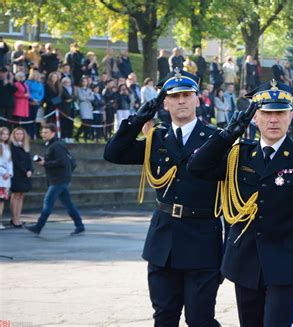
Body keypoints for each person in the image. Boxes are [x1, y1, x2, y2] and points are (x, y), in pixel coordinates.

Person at [187, 79, 293, 326]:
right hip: (245, 263)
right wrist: (228, 134)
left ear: (290, 117)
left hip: (287, 265)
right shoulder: (238, 153)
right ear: (255, 118)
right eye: (266, 113)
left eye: (279, 113)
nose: (273, 120)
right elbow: (197, 167)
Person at [103, 69, 223, 326]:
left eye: (186, 95)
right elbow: (114, 153)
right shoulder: (156, 138)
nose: (181, 101)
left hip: (202, 240)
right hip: (163, 242)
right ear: (165, 102)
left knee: (200, 320)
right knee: (164, 318)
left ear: (197, 99)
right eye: (174, 96)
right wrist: (138, 119)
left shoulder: (215, 138)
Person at [25, 124, 84, 235]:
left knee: (48, 202)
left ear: (53, 133)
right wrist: (45, 161)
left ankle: (39, 226)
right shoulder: (53, 145)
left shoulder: (56, 146)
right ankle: (79, 225)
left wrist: (45, 163)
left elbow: (61, 162)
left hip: (59, 179)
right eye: (43, 132)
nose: (43, 134)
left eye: (46, 132)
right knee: (68, 204)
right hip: (59, 178)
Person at [10, 127, 33, 227]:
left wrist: (30, 170)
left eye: (21, 134)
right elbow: (15, 162)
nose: (19, 136)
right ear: (14, 135)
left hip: (25, 175)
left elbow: (29, 160)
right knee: (15, 195)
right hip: (17, 174)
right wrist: (25, 171)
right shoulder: (12, 147)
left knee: (21, 196)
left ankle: (18, 218)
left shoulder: (25, 146)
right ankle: (14, 219)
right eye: (17, 134)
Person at [25, 69, 44, 140]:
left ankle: (33, 135)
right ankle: (28, 134)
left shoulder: (40, 84)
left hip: (37, 103)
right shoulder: (27, 82)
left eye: (37, 75)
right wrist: (32, 99)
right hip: (29, 103)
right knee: (28, 120)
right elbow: (27, 92)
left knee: (34, 120)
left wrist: (37, 100)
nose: (36, 76)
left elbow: (42, 93)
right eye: (34, 74)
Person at [0, 127, 12, 230]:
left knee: (2, 200)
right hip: (1, 175)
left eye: (7, 134)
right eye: (3, 134)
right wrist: (3, 172)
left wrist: (9, 173)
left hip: (6, 178)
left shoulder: (7, 146)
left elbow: (9, 162)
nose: (5, 136)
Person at [75, 77, 94, 142]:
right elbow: (81, 98)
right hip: (83, 106)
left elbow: (92, 98)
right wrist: (87, 97)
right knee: (84, 122)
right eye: (83, 81)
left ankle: (86, 136)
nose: (85, 82)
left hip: (89, 107)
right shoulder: (79, 89)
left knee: (89, 122)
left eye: (86, 81)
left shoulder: (89, 90)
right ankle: (78, 134)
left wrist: (86, 97)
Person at [59, 77, 76, 143]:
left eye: (68, 82)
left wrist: (71, 99)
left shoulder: (72, 89)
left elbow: (74, 97)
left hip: (71, 108)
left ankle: (70, 136)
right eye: (66, 82)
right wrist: (69, 99)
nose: (67, 83)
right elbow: (64, 97)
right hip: (64, 109)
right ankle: (64, 136)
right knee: (64, 123)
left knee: (70, 123)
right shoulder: (61, 89)